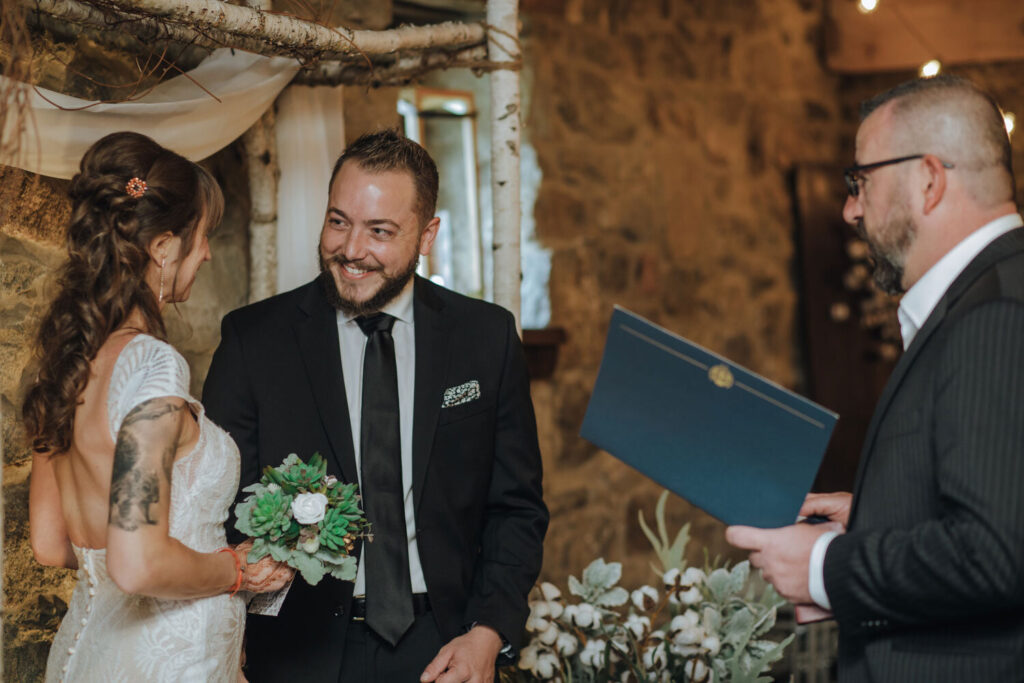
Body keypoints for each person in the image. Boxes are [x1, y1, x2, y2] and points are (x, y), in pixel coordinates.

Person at [203, 129, 549, 683]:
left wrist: (489, 632)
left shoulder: (486, 337)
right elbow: (216, 511)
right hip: (298, 653)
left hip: (442, 648)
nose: (351, 249)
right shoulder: (254, 340)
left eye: (379, 231)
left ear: (427, 234)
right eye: (338, 221)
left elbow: (516, 508)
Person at [726, 75, 1024, 681]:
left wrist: (822, 568)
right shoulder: (988, 295)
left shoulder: (994, 313)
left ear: (929, 180)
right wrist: (875, 517)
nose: (850, 208)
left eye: (860, 180)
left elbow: (997, 552)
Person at [24, 131, 293, 683]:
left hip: (90, 650)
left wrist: (179, 559)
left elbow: (52, 544)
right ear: (164, 247)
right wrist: (234, 571)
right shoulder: (151, 365)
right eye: (202, 237)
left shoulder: (65, 362)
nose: (209, 253)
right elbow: (138, 562)